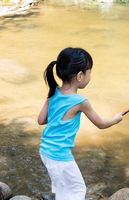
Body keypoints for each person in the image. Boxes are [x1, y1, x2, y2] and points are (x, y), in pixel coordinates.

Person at [37, 47, 123, 200]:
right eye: (90, 72)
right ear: (80, 76)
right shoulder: (80, 101)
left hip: (45, 151)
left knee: (64, 190)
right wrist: (116, 119)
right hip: (59, 155)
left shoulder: (54, 92)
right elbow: (101, 124)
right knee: (77, 190)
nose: (90, 76)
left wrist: (50, 99)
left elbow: (41, 120)